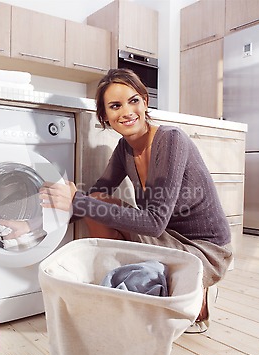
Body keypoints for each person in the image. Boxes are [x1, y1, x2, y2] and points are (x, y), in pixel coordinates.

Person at [38, 68, 234, 334]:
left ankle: (195, 289)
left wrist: (77, 200)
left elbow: (153, 224)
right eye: (115, 106)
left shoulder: (171, 140)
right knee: (96, 201)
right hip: (168, 238)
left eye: (133, 101)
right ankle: (125, 293)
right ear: (105, 116)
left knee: (94, 203)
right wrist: (36, 228)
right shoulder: (124, 150)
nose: (127, 111)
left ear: (145, 101)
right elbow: (94, 196)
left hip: (205, 250)